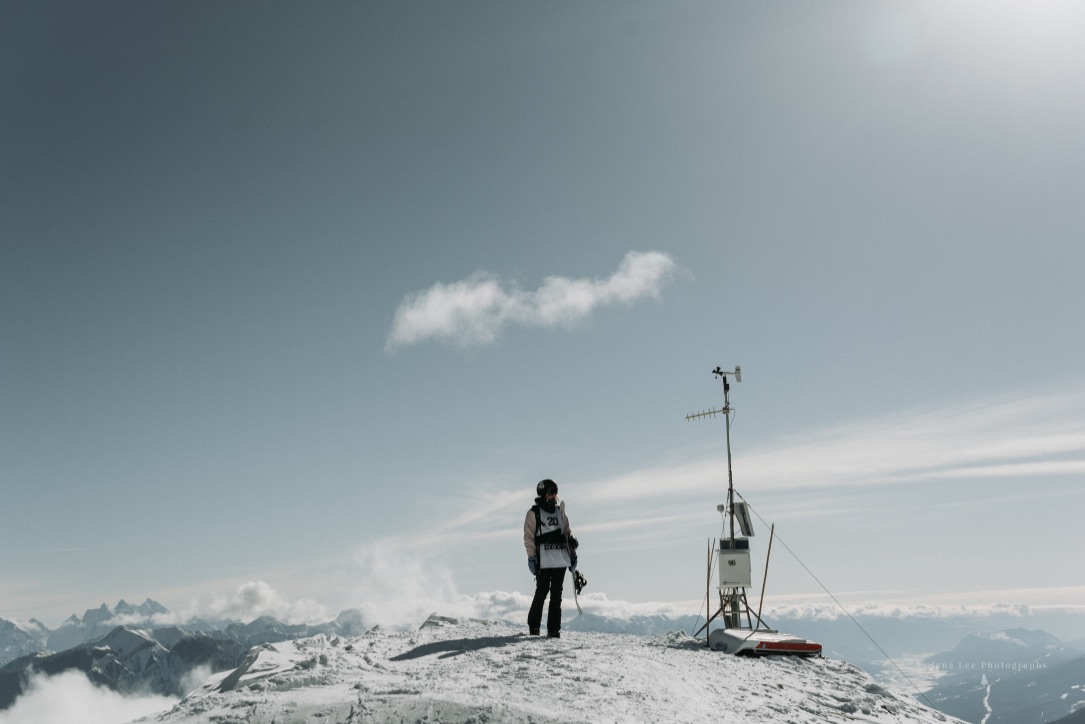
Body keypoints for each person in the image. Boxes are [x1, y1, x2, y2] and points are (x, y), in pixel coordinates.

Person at [523, 478, 577, 638]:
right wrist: (532, 557)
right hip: (543, 559)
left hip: (560, 558)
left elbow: (567, 534)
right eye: (551, 492)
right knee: (541, 592)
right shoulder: (534, 513)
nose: (554, 496)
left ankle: (554, 630)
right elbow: (529, 537)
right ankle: (534, 626)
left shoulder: (560, 512)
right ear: (543, 494)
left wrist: (572, 555)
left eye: (555, 492)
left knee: (556, 594)